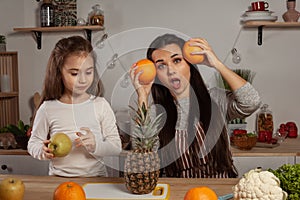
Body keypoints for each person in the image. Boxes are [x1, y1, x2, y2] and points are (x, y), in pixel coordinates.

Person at [129, 33, 261, 178]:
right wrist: (142, 95)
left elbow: (251, 102)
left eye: (177, 60)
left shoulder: (215, 98)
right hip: (179, 192)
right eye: (161, 65)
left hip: (220, 190)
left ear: (190, 64)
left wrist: (217, 64)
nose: (171, 70)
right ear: (156, 74)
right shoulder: (156, 113)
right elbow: (142, 153)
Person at [28, 36, 122, 177]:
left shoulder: (100, 105)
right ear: (59, 73)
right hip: (59, 181)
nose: (83, 79)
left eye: (88, 72)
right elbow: (33, 143)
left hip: (96, 180)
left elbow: (116, 147)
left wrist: (96, 145)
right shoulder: (48, 108)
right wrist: (42, 151)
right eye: (74, 73)